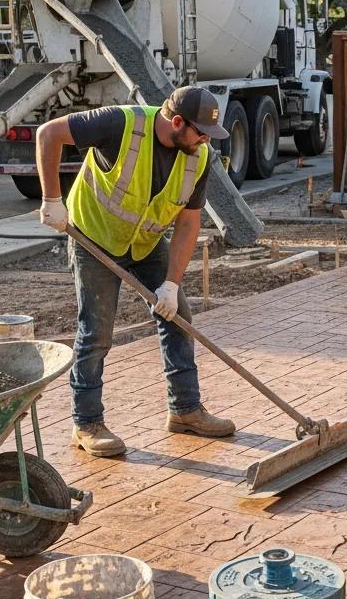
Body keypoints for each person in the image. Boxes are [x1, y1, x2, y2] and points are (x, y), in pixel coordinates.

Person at [35, 85, 236, 456]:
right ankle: (87, 423)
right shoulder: (119, 124)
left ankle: (185, 410)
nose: (206, 140)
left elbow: (189, 223)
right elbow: (48, 134)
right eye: (201, 132)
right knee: (97, 332)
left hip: (144, 243)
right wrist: (51, 200)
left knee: (178, 318)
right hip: (93, 237)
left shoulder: (199, 156)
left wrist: (172, 284)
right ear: (177, 122)